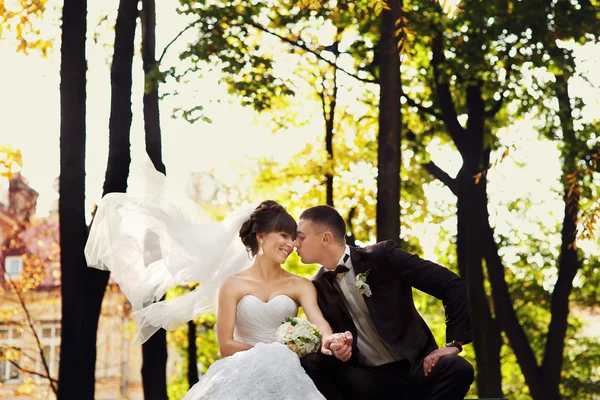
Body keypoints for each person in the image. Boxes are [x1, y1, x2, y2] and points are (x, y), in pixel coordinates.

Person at [85, 162, 354, 400]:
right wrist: (273, 354)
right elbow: (226, 345)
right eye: (283, 235)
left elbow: (321, 325)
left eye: (292, 237)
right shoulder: (232, 285)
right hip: (242, 375)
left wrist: (334, 340)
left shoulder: (301, 285)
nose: (290, 244)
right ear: (261, 236)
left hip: (288, 378)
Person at [295, 205, 474, 400]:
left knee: (459, 368)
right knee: (312, 362)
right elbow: (330, 338)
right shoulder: (316, 287)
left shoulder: (382, 256)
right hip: (369, 382)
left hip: (417, 368)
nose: (295, 243)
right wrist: (339, 349)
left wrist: (454, 343)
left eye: (301, 237)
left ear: (325, 238)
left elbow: (452, 285)